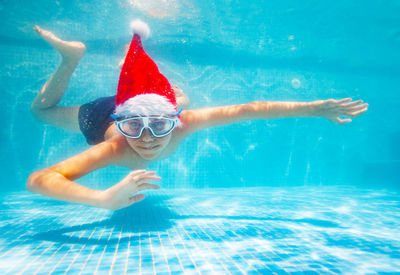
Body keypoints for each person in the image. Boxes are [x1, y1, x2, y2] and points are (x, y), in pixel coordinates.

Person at [27, 20, 369, 210]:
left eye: (160, 125)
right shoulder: (115, 147)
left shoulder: (182, 123)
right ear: (122, 125)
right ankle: (70, 60)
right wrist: (101, 199)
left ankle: (162, 94)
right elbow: (40, 179)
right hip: (102, 114)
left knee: (173, 102)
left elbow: (250, 111)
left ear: (175, 121)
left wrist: (315, 108)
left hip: (141, 104)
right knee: (41, 113)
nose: (146, 139)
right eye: (133, 128)